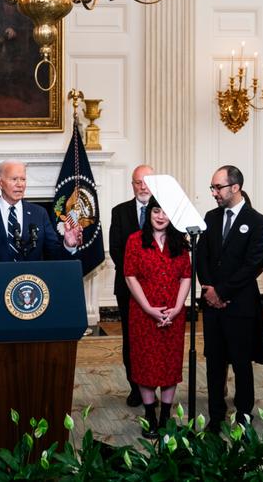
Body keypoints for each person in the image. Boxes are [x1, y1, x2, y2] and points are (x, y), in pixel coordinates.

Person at [196, 165, 263, 433]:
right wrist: (208, 289)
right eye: (212, 187)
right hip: (213, 306)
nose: (214, 192)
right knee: (214, 363)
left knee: (241, 363)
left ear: (235, 187)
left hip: (239, 305)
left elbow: (253, 264)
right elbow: (201, 256)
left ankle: (243, 416)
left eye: (218, 187)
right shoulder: (210, 217)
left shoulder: (257, 220)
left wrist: (222, 292)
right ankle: (216, 416)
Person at [124, 197, 192, 438]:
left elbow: (186, 276)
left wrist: (176, 306)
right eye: (156, 211)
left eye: (165, 212)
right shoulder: (135, 241)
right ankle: (150, 415)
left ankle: (165, 416)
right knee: (146, 363)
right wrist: (149, 308)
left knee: (169, 364)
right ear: (149, 213)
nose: (160, 216)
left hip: (174, 314)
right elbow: (130, 276)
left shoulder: (182, 243)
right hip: (143, 315)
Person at [0, 160, 82, 263]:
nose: (20, 184)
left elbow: (54, 256)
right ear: (0, 183)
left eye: (23, 179)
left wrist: (68, 245)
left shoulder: (39, 213)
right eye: (14, 179)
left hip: (31, 287)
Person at [109, 164, 154, 407]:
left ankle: (155, 384)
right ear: (132, 185)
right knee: (132, 339)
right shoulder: (120, 212)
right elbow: (116, 250)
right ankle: (135, 388)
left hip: (160, 289)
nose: (143, 186)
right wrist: (137, 279)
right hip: (127, 288)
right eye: (138, 182)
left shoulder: (165, 211)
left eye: (147, 181)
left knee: (155, 341)